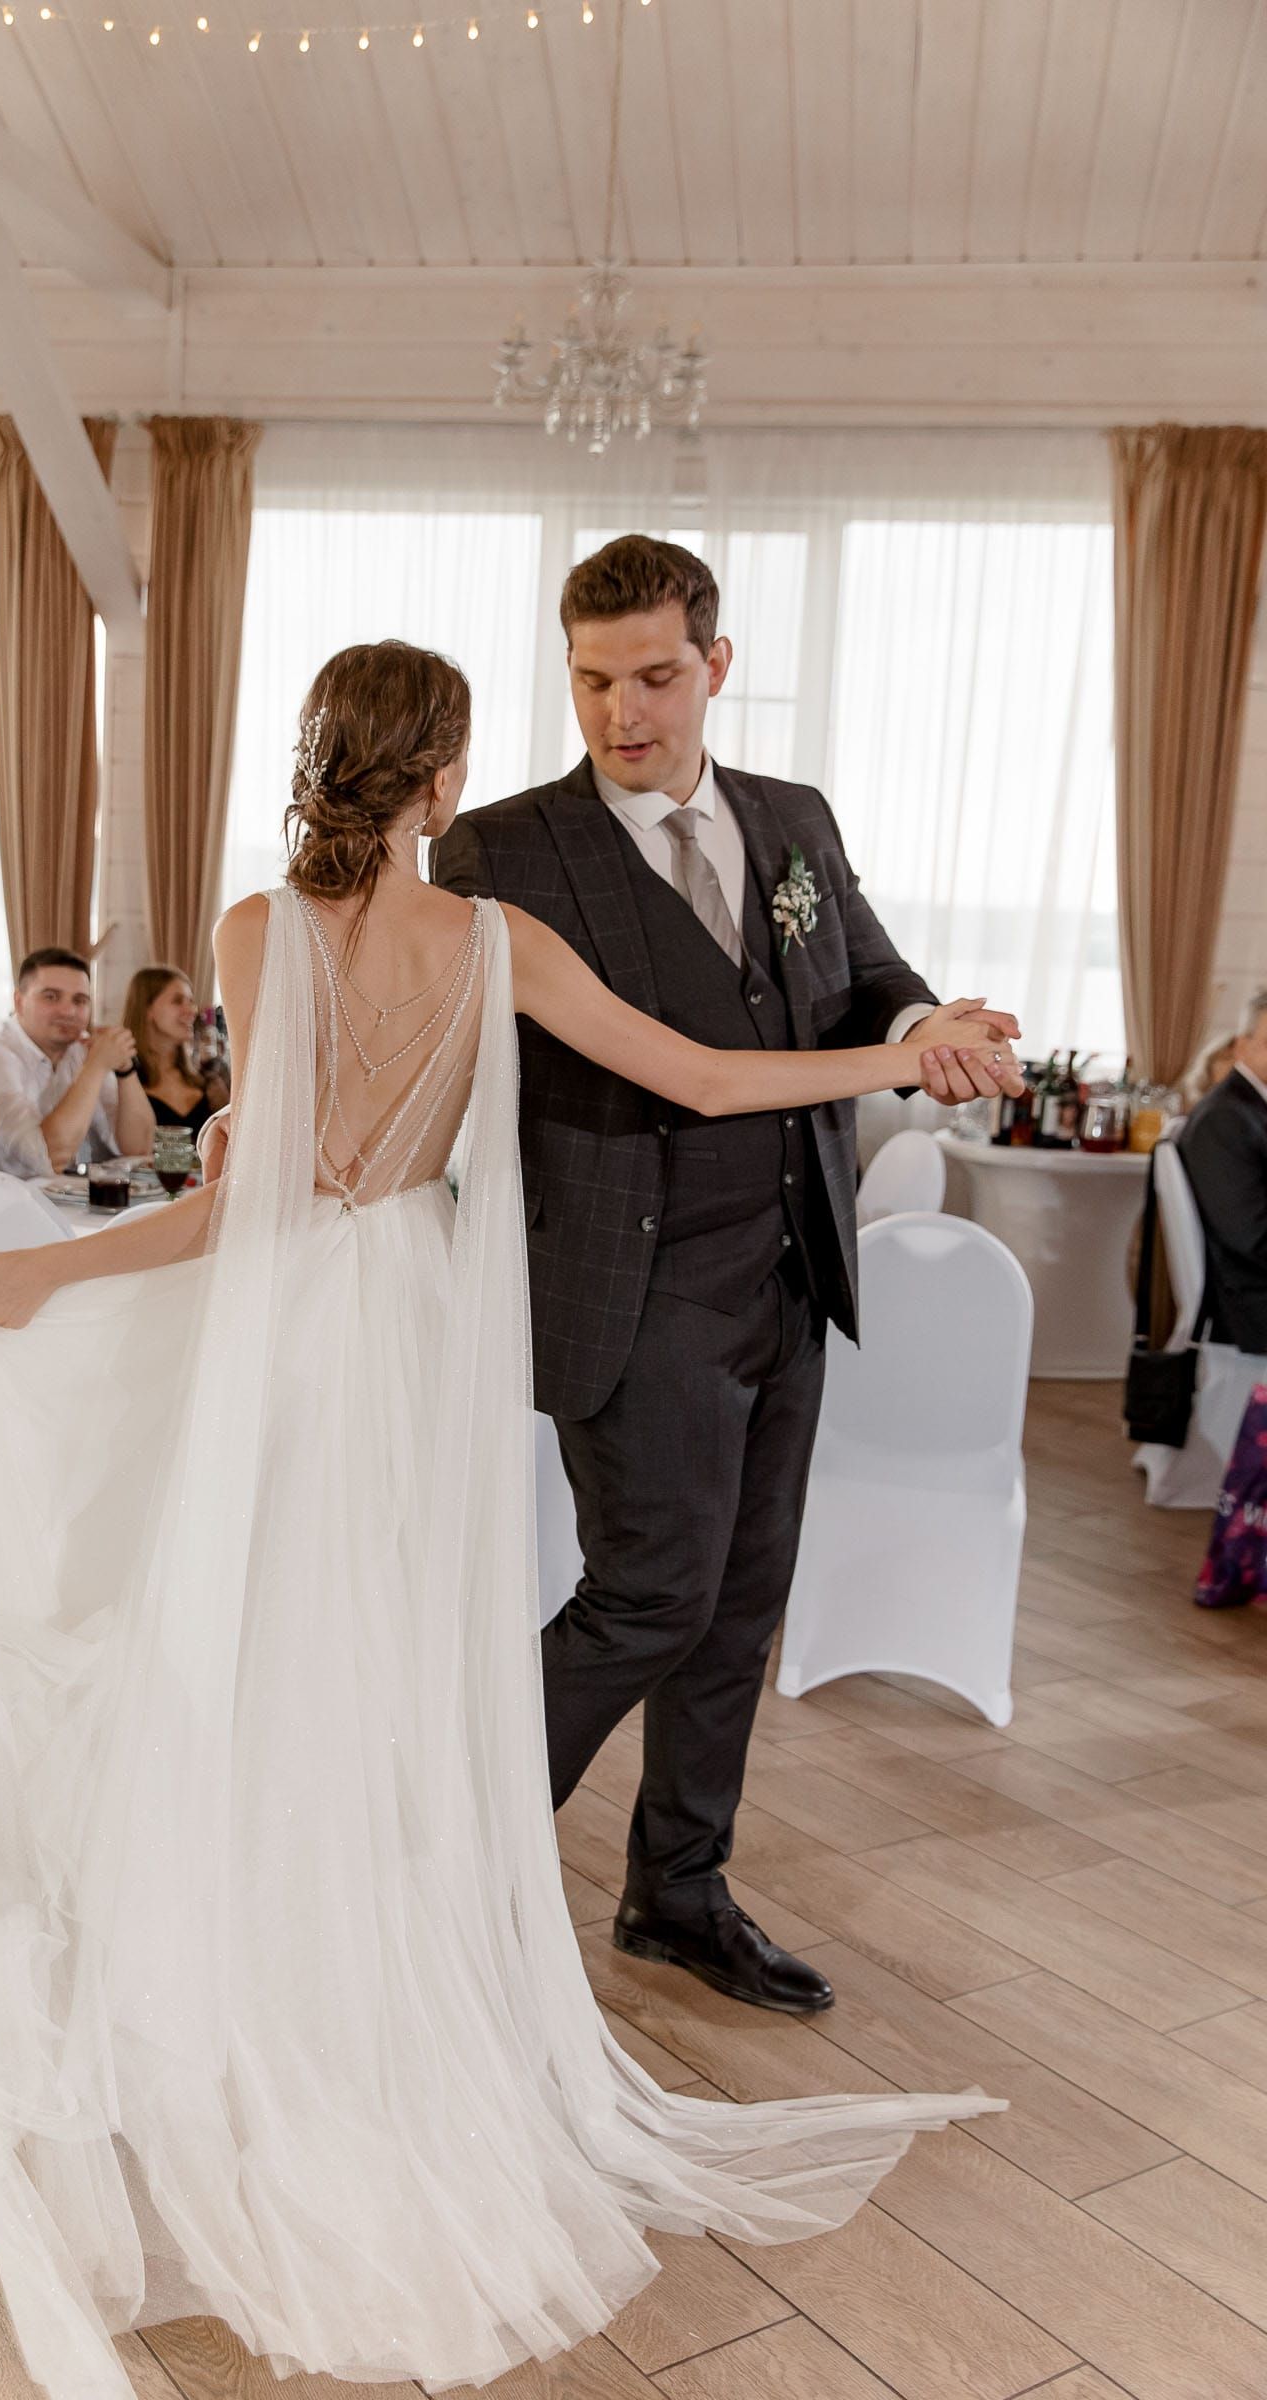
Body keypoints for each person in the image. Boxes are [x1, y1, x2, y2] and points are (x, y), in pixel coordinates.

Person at [0, 640, 1012, 2400]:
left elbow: (250, 1205)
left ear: (321, 759)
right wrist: (898, 1063)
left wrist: (44, 1274)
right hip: (402, 1363)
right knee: (375, 1693)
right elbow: (703, 1078)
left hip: (282, 1353)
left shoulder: (250, 935)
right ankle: (365, 2023)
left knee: (233, 1675)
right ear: (449, 781)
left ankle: (246, 2032)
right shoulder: (493, 944)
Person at [433, 535, 1007, 2018]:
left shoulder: (792, 822)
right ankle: (437, 1866)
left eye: (657, 675)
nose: (625, 710)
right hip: (629, 1290)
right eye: (593, 679)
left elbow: (869, 980)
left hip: (789, 1276)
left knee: (739, 1607)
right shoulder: (501, 848)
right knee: (648, 1597)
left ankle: (678, 1894)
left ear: (718, 666)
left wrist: (934, 1016)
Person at [0, 945, 155, 1177]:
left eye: (80, 1000)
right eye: (51, 997)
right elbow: (48, 1158)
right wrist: (96, 1066)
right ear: (19, 1001)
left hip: (52, 1201)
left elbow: (140, 1148)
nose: (68, 1011)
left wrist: (125, 1068)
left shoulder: (81, 1048)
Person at [1177, 987, 1267, 1357]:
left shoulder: (1250, 1111)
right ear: (1241, 1047)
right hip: (1247, 1305)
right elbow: (1252, 1238)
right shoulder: (1226, 1118)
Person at [122, 964, 229, 1133]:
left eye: (191, 1001)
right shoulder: (123, 1079)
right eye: (177, 1001)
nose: (192, 1011)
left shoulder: (209, 1083)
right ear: (147, 1009)